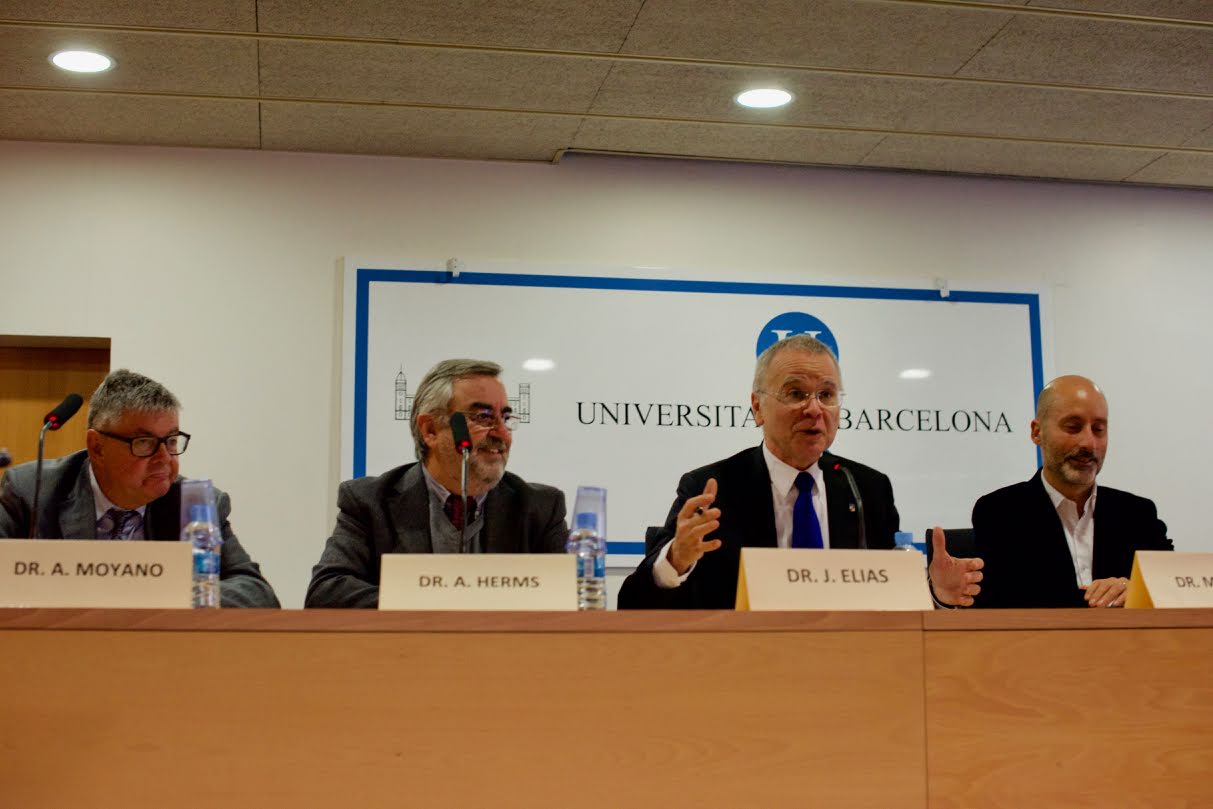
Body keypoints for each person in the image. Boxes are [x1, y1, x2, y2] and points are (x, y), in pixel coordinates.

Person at [618, 335, 905, 610]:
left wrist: (931, 588)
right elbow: (633, 605)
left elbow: (898, 599)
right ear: (758, 407)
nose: (814, 409)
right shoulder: (712, 490)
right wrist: (676, 560)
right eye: (796, 394)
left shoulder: (867, 488)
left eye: (826, 395)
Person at [0, 369, 279, 608]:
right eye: (144, 442)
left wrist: (161, 594)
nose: (164, 458)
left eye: (171, 440)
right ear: (97, 447)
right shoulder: (32, 491)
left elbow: (256, 593)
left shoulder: (195, 504)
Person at [306, 359, 568, 608]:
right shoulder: (369, 501)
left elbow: (570, 597)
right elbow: (326, 593)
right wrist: (438, 601)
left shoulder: (539, 507)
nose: (502, 434)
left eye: (506, 418)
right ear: (430, 429)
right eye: (483, 417)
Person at [933, 375, 1172, 608]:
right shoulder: (1000, 511)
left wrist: (1137, 590)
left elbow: (1173, 587)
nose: (1089, 443)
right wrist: (944, 596)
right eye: (1073, 427)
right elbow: (998, 603)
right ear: (1037, 432)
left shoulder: (1138, 514)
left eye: (1098, 429)